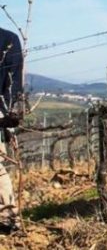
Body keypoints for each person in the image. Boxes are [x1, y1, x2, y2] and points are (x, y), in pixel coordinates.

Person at [0, 27, 23, 233]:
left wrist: (8, 115)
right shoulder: (9, 39)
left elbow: (13, 84)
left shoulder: (8, 41)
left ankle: (8, 219)